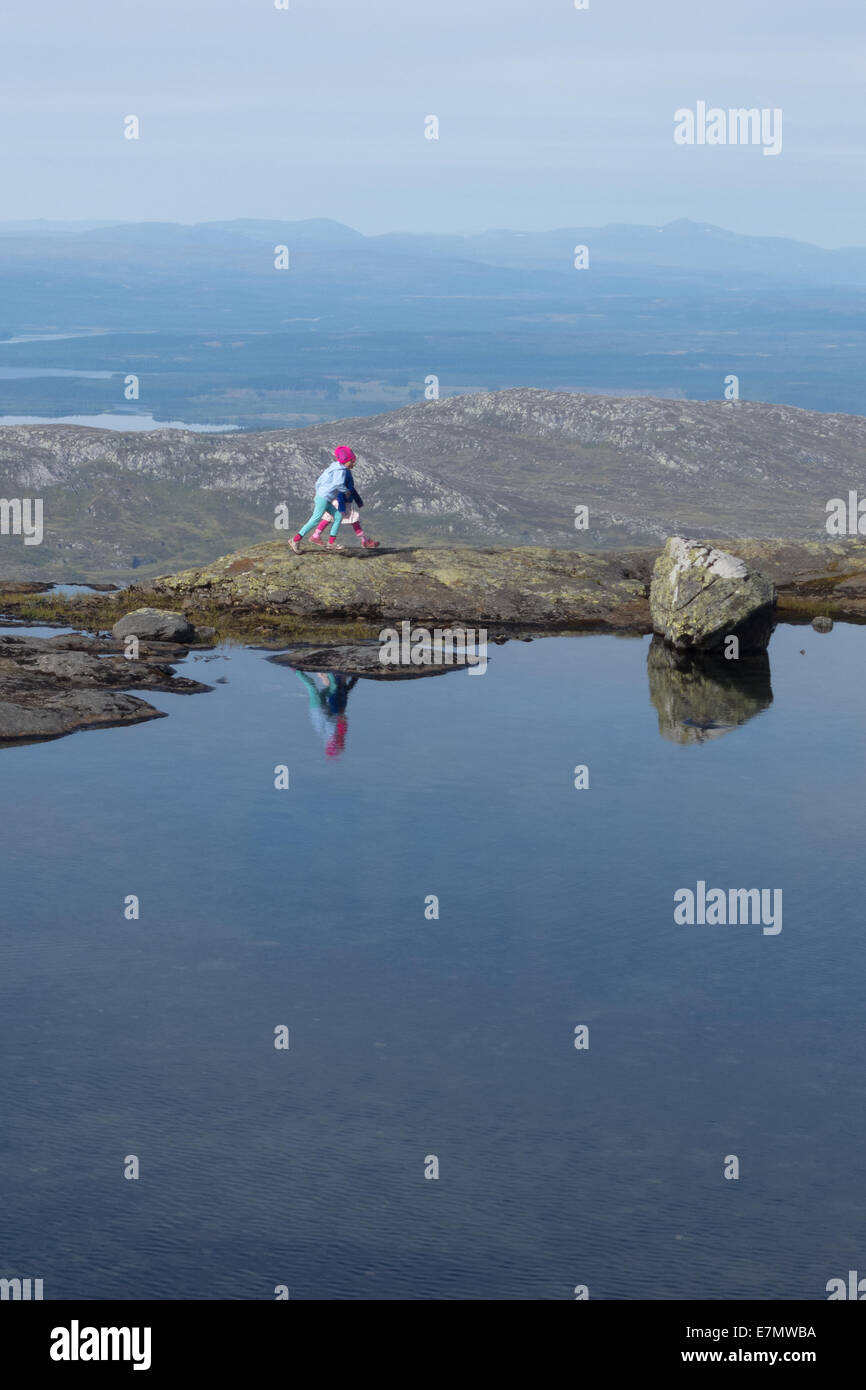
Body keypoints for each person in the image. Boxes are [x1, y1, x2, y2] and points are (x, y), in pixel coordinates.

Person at [290, 446, 376, 552]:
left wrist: (320, 493)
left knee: (338, 516)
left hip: (323, 497)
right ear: (345, 460)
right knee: (314, 520)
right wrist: (346, 491)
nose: (353, 464)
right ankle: (295, 540)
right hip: (324, 499)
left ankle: (331, 543)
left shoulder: (332, 468)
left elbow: (319, 482)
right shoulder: (341, 471)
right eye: (352, 461)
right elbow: (338, 484)